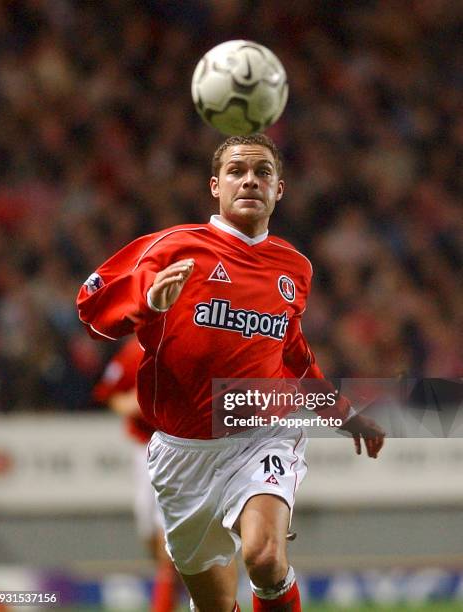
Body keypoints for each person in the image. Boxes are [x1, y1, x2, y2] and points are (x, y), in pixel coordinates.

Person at [77, 133, 385, 611]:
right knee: (216, 605)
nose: (250, 180)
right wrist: (148, 300)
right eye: (238, 171)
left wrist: (344, 415)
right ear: (215, 186)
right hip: (182, 453)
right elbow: (91, 308)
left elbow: (294, 355)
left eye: (263, 172)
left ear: (279, 189)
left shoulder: (294, 268)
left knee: (264, 557)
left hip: (262, 432)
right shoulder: (174, 246)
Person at [93, 336, 180, 612]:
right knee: (148, 529)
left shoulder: (185, 343)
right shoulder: (133, 351)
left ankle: (166, 600)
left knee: (168, 536)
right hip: (143, 449)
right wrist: (130, 404)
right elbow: (109, 392)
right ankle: (176, 583)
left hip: (179, 447)